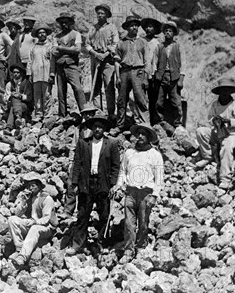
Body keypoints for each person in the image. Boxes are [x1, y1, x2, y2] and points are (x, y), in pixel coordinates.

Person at [111, 124, 164, 263]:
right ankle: (128, 251)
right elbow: (123, 172)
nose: (140, 136)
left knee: (143, 223)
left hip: (146, 192)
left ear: (149, 137)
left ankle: (141, 247)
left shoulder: (155, 155)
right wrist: (118, 186)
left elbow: (159, 178)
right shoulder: (129, 153)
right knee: (129, 223)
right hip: (130, 192)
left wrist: (155, 195)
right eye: (138, 133)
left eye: (143, 134)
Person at [68, 113, 120, 253]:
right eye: (95, 127)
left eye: (100, 127)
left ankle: (102, 243)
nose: (98, 129)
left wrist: (113, 184)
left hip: (103, 183)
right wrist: (75, 183)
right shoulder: (83, 143)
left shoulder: (112, 144)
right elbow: (77, 163)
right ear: (91, 128)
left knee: (104, 215)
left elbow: (116, 166)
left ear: (104, 129)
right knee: (83, 215)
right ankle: (78, 244)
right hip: (86, 182)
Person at [194, 78, 235, 189]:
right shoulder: (215, 104)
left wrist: (227, 121)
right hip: (218, 131)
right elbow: (210, 118)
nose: (224, 93)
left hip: (232, 133)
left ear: (230, 92)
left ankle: (225, 178)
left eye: (227, 91)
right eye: (222, 91)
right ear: (219, 92)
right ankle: (208, 156)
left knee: (226, 147)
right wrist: (215, 121)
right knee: (201, 131)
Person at [8, 172, 58, 267]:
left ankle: (23, 257)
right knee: (12, 219)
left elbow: (46, 219)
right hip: (32, 224)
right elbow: (17, 214)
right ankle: (19, 249)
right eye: (29, 186)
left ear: (39, 186)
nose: (30, 188)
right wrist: (23, 202)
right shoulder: (29, 197)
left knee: (34, 228)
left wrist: (35, 222)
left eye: (33, 185)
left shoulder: (47, 198)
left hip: (46, 228)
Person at [110, 16, 149, 135]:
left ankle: (144, 124)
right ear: (127, 27)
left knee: (140, 98)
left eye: (136, 25)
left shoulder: (142, 42)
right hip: (124, 72)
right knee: (121, 100)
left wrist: (146, 77)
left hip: (138, 71)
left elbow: (147, 61)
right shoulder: (121, 43)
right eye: (132, 25)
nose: (134, 27)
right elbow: (117, 61)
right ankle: (120, 125)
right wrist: (117, 77)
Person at [85, 4, 119, 120]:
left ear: (107, 15)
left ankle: (110, 113)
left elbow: (115, 44)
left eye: (102, 13)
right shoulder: (93, 28)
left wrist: (105, 55)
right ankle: (97, 110)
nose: (100, 15)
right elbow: (87, 44)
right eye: (98, 13)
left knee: (109, 86)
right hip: (95, 58)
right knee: (95, 86)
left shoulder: (112, 28)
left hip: (108, 60)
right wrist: (96, 54)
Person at [53, 13, 89, 119]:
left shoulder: (76, 34)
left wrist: (61, 48)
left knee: (77, 88)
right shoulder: (57, 36)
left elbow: (77, 50)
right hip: (60, 66)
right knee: (61, 91)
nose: (64, 24)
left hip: (72, 65)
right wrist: (69, 49)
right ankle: (62, 115)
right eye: (62, 22)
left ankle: (85, 112)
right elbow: (54, 52)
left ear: (70, 23)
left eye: (66, 22)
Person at [152, 21, 184, 127]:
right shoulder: (159, 46)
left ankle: (178, 122)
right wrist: (154, 75)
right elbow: (154, 61)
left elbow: (183, 63)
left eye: (170, 31)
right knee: (159, 101)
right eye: (166, 31)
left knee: (175, 101)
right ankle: (160, 121)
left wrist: (181, 79)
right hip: (161, 76)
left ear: (174, 33)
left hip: (174, 77)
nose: (168, 33)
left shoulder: (178, 47)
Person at [27, 24, 54, 121]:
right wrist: (29, 73)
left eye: (43, 32)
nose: (42, 34)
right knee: (37, 95)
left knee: (47, 95)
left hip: (46, 73)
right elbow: (30, 61)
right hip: (36, 73)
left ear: (46, 34)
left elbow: (52, 61)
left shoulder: (51, 46)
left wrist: (52, 74)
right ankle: (38, 114)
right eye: (39, 33)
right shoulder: (33, 47)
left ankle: (47, 114)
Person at [141, 18, 162, 119]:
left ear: (155, 29)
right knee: (141, 98)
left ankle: (154, 120)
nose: (148, 29)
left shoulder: (157, 43)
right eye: (147, 27)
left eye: (151, 27)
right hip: (142, 73)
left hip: (153, 74)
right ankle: (143, 119)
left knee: (153, 98)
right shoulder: (141, 41)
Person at [4, 65, 33, 130]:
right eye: (14, 72)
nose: (15, 74)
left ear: (21, 73)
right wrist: (12, 95)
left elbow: (29, 97)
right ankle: (18, 117)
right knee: (14, 99)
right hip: (12, 103)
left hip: (24, 105)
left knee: (13, 107)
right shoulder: (9, 84)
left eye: (17, 72)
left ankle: (8, 127)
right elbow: (6, 97)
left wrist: (20, 96)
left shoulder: (26, 83)